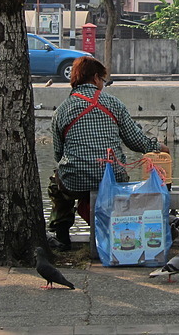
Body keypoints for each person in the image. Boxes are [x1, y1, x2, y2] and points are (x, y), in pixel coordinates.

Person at [49, 56, 168, 250]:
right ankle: (118, 233)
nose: (102, 84)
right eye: (103, 80)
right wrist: (158, 147)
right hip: (112, 178)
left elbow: (57, 154)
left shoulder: (61, 110)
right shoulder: (113, 104)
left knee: (56, 186)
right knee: (113, 178)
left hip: (74, 181)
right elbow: (136, 141)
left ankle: (62, 237)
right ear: (95, 78)